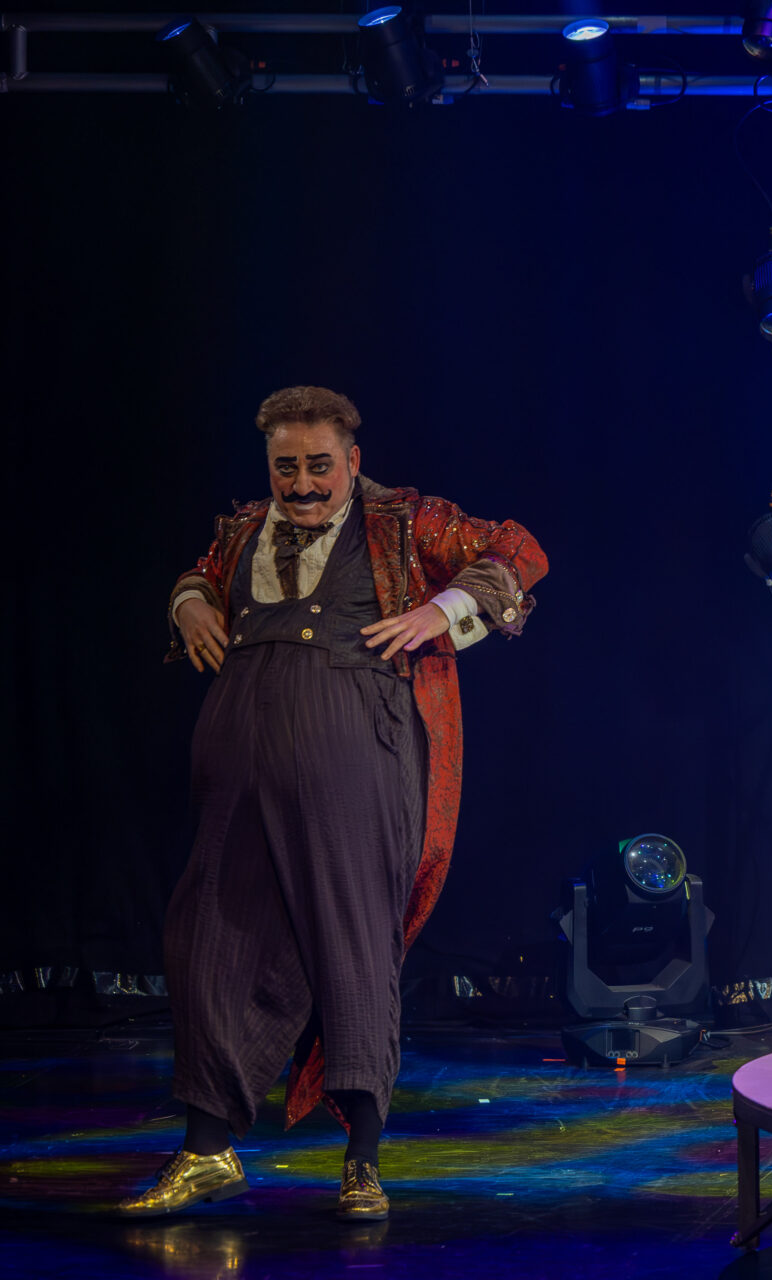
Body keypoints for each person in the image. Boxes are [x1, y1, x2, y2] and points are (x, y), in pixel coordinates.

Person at [116, 386, 548, 1221]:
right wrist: (190, 602)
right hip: (238, 755)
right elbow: (200, 573)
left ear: (352, 460)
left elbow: (517, 551)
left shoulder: (402, 521)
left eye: (319, 466)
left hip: (356, 750)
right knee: (207, 938)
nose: (303, 484)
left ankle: (362, 1162)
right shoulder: (244, 528)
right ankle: (206, 1151)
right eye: (287, 467)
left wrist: (439, 611)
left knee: (352, 940)